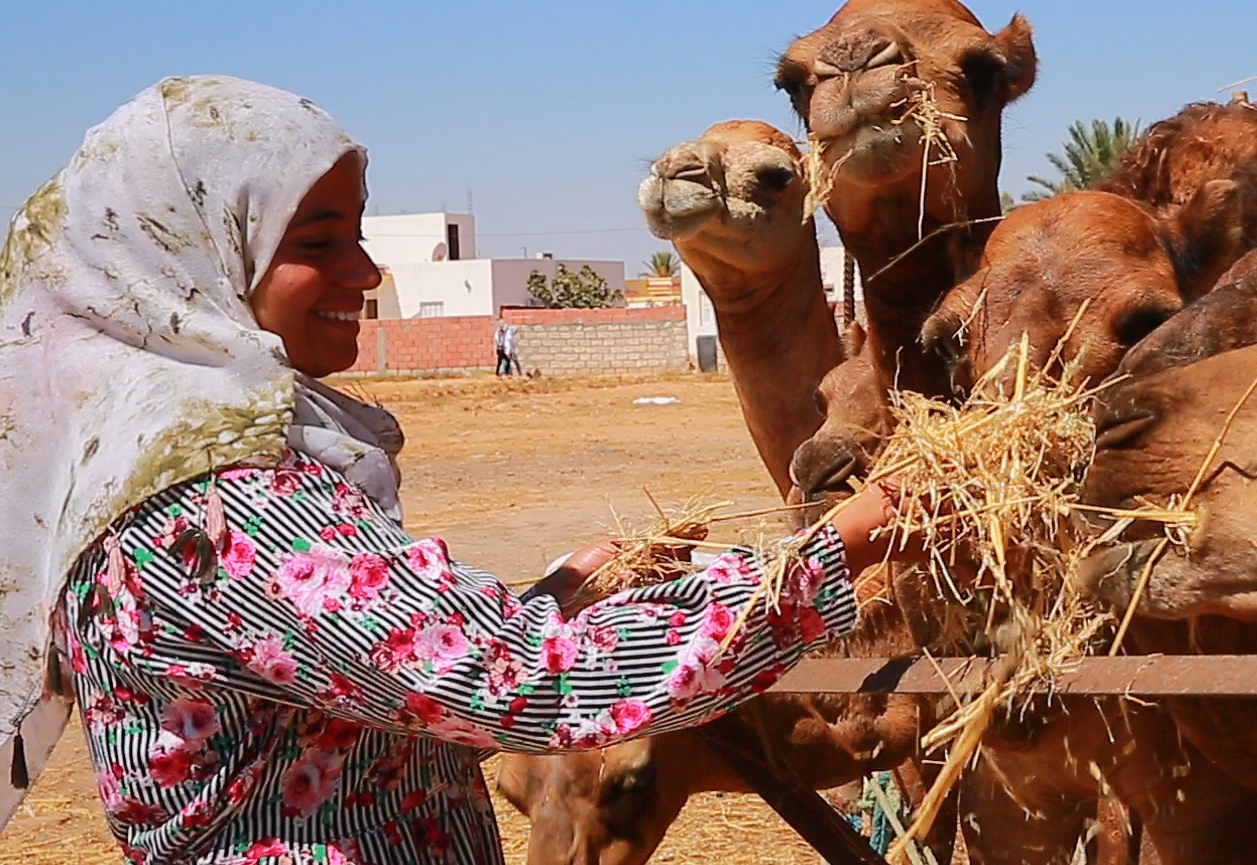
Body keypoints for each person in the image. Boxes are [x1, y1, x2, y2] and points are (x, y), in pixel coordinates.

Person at [0, 76, 915, 864]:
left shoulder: (150, 465)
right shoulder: (221, 504)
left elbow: (357, 684)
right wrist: (844, 542)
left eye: (357, 233)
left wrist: (550, 597)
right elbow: (524, 680)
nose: (364, 270)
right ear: (192, 262)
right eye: (316, 241)